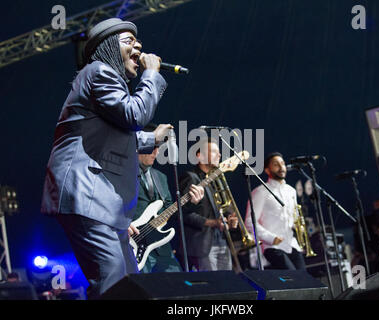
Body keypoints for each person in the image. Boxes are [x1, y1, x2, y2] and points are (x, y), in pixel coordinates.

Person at [41, 18, 170, 299]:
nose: (138, 47)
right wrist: (151, 75)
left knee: (131, 285)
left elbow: (118, 134)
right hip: (89, 197)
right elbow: (134, 116)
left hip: (105, 205)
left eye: (138, 42)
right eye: (128, 42)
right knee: (114, 285)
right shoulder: (99, 72)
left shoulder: (105, 84)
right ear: (108, 47)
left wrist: (154, 139)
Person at [128, 123, 204, 273]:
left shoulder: (160, 177)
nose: (156, 152)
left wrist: (191, 202)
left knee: (178, 287)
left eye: (158, 147)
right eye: (153, 147)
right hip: (133, 245)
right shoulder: (124, 173)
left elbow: (171, 210)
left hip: (161, 248)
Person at [179, 138, 238, 271]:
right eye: (213, 152)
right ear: (199, 155)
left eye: (219, 152)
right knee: (212, 286)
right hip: (202, 245)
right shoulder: (191, 177)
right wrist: (213, 223)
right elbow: (183, 213)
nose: (219, 155)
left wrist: (230, 220)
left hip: (223, 242)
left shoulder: (217, 180)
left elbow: (225, 208)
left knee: (227, 286)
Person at [245, 152, 306, 270]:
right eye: (276, 164)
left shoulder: (291, 191)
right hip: (272, 246)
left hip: (292, 244)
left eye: (282, 163)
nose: (281, 167)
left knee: (304, 278)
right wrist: (270, 237)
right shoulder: (260, 192)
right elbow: (249, 221)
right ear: (267, 170)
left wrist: (299, 226)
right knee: (292, 277)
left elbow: (294, 217)